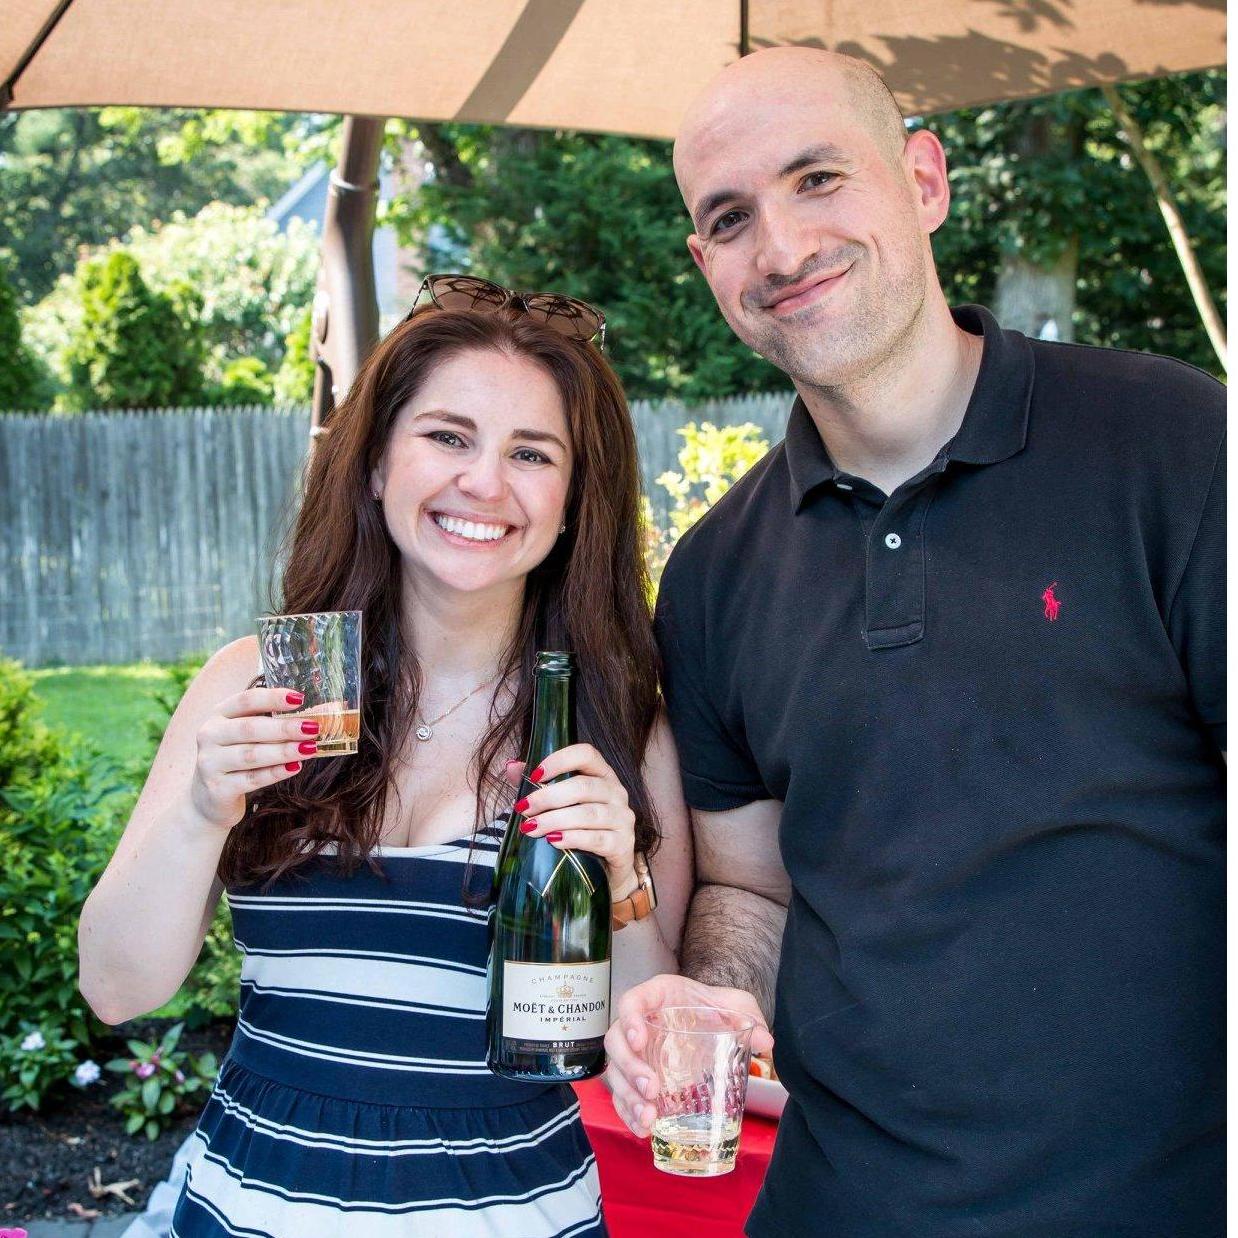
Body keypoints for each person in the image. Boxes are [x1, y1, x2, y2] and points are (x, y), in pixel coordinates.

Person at [604, 46, 1225, 1238]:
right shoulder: (714, 573)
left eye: (818, 179)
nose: (779, 249)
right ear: (703, 265)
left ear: (924, 182)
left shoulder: (1174, 445)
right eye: (730, 219)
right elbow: (748, 883)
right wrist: (723, 995)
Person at [79, 277, 693, 1238]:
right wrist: (203, 809)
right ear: (374, 465)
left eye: (531, 453)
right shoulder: (261, 683)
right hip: (251, 1205)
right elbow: (116, 988)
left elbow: (638, 1046)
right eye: (447, 436)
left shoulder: (612, 729)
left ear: (575, 502)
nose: (484, 482)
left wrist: (622, 878)